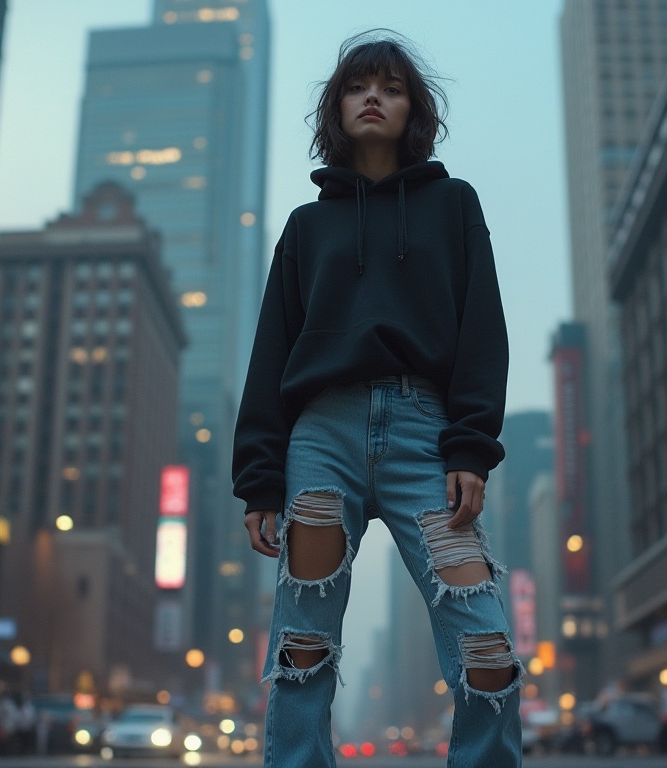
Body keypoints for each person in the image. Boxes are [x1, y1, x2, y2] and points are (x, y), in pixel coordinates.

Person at [232, 30, 519, 768]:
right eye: (360, 86)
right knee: (304, 645)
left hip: (426, 435)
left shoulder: (454, 205)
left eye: (392, 88)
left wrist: (470, 448)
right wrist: (259, 478)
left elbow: (482, 330)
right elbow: (271, 354)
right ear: (337, 106)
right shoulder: (307, 225)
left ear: (413, 110)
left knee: (485, 643)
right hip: (320, 436)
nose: (374, 97)